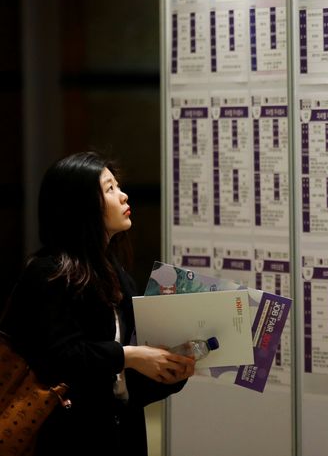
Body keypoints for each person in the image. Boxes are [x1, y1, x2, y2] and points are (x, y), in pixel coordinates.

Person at [1, 152, 196, 456]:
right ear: (81, 205)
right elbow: (59, 357)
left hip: (119, 436)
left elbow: (122, 387)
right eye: (110, 189)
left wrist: (168, 372)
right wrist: (129, 355)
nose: (123, 195)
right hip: (66, 437)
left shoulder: (116, 273)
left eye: (118, 186)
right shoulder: (47, 273)